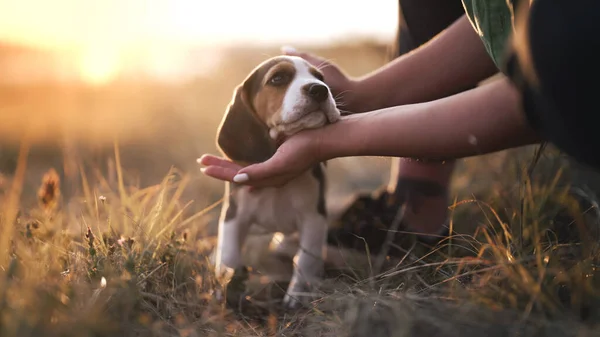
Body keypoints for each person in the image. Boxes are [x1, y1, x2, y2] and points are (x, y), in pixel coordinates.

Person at [198, 0, 600, 252]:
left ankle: (416, 215)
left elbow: (552, 88)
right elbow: (500, 22)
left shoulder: (567, 31)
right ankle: (411, 206)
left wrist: (331, 140)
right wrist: (365, 93)